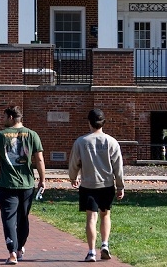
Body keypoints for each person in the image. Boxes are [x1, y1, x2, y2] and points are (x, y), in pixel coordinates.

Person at [0, 106, 45, 265]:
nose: (3, 119)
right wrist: (42, 179)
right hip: (27, 184)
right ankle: (20, 249)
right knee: (23, 218)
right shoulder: (32, 135)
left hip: (7, 184)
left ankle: (12, 252)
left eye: (4, 116)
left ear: (11, 117)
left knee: (9, 218)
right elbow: (39, 159)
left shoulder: (0, 136)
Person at [69, 108, 125, 262]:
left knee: (91, 217)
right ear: (103, 123)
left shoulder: (81, 141)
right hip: (106, 184)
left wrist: (73, 177)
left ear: (89, 122)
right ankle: (105, 244)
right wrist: (120, 186)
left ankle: (91, 251)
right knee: (105, 214)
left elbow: (74, 162)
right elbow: (118, 166)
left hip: (88, 184)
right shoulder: (111, 141)